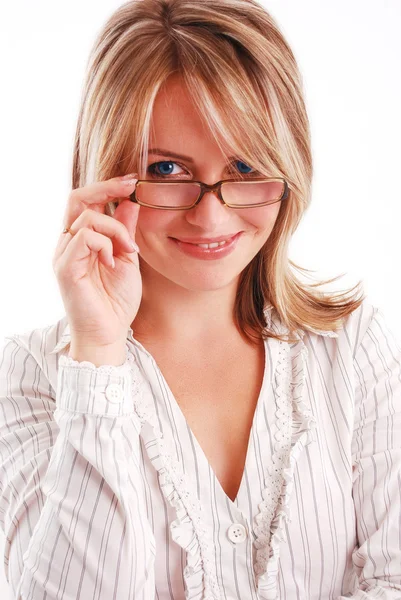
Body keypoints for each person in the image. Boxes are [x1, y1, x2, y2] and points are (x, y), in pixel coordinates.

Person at [1, 0, 400, 598]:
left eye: (245, 165)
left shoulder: (352, 349)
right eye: (165, 168)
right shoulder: (36, 374)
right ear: (107, 176)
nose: (211, 212)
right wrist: (99, 350)